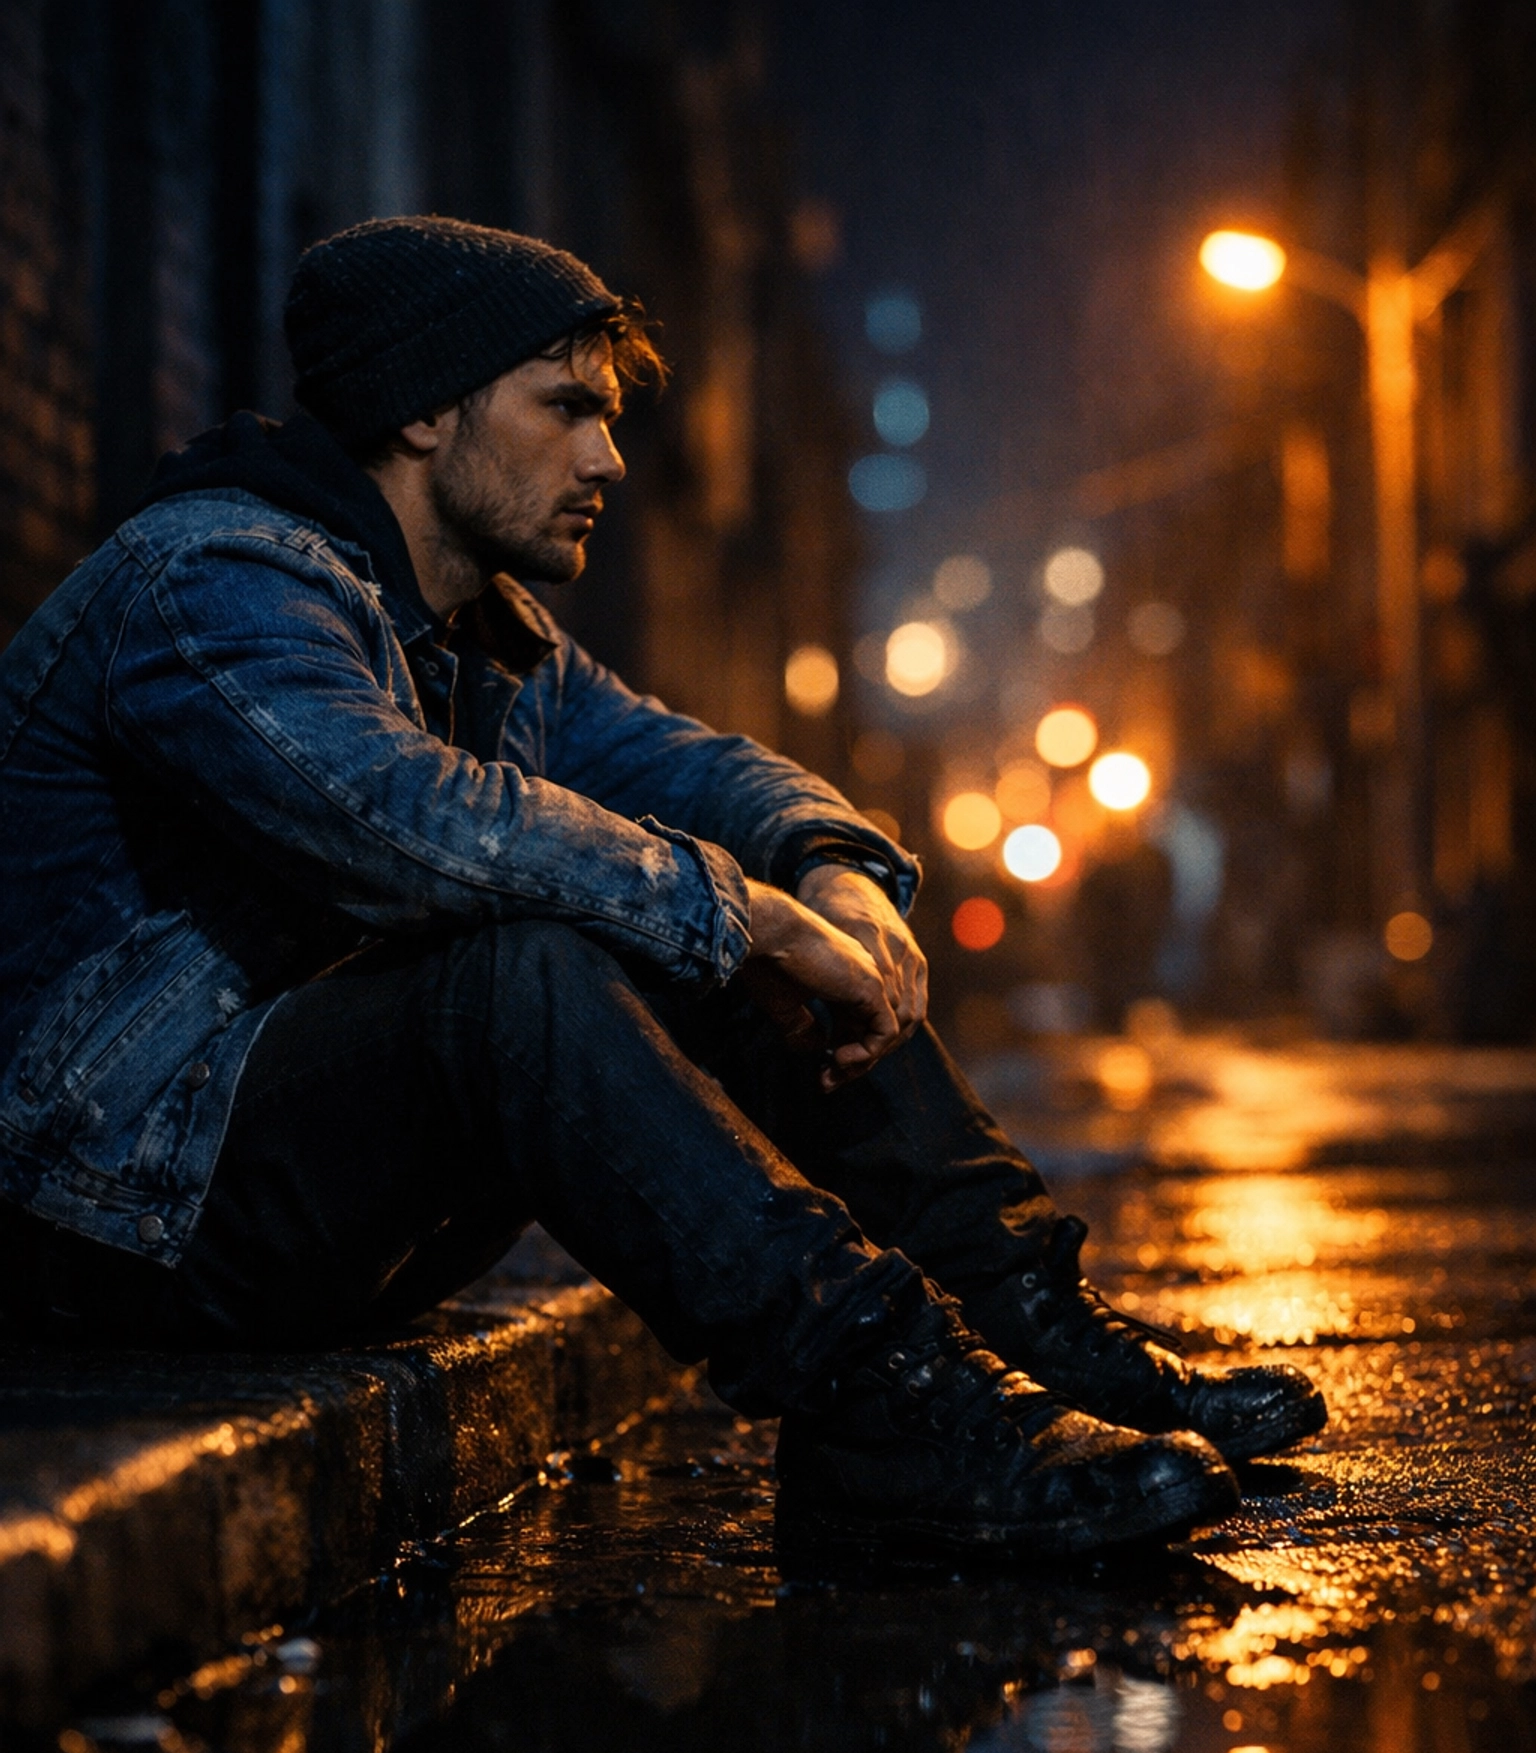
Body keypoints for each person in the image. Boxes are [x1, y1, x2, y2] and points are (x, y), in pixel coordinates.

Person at [0, 217, 1325, 1557]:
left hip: (286, 1203)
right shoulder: (215, 578)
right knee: (533, 973)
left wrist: (831, 872)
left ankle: (1036, 1340)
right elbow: (402, 821)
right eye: (567, 408)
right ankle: (893, 1411)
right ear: (420, 412)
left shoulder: (491, 639)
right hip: (115, 1212)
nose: (609, 458)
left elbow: (692, 769)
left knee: (693, 924)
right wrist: (748, 913)